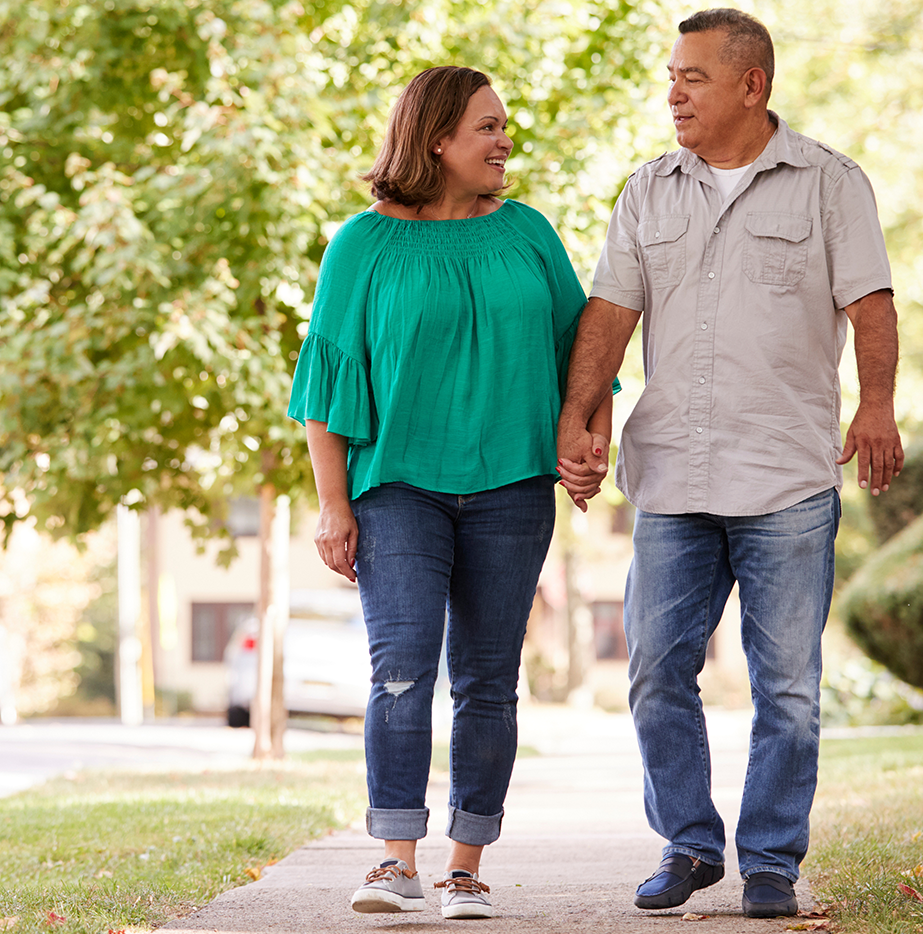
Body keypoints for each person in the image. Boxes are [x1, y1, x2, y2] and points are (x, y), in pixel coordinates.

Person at [555, 8, 904, 920]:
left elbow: (870, 302)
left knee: (785, 686)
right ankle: (686, 845)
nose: (673, 92)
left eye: (694, 77)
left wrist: (875, 404)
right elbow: (608, 315)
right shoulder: (648, 192)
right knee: (654, 670)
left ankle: (772, 861)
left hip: (785, 476)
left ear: (751, 85)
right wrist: (578, 416)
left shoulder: (829, 184)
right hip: (671, 475)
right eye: (672, 76)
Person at [287, 65, 612, 920]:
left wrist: (585, 444)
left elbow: (583, 357)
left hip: (510, 486)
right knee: (399, 672)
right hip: (396, 488)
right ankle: (395, 860)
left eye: (505, 127)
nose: (504, 141)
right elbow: (327, 381)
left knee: (487, 680)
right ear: (435, 140)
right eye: (486, 127)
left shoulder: (529, 235)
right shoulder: (361, 244)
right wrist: (332, 504)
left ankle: (464, 867)